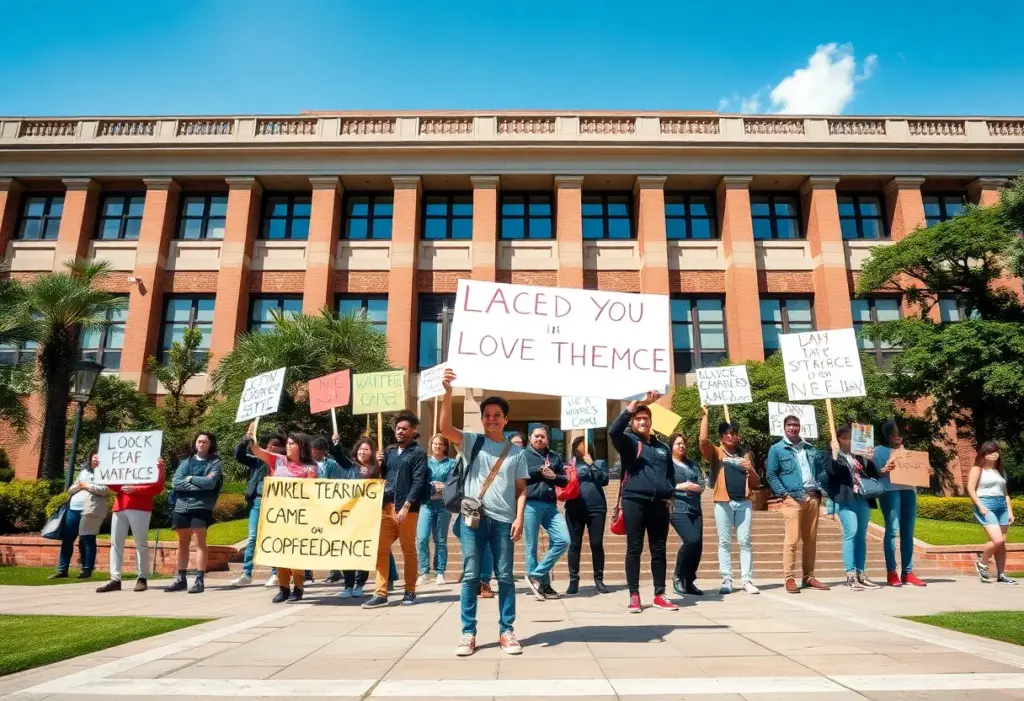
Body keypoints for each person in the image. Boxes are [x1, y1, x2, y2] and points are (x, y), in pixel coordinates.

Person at [440, 368, 528, 657]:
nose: (491, 418)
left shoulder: (516, 452)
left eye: (497, 415)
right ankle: (468, 633)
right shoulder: (471, 441)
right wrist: (448, 392)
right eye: (487, 414)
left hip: (504, 522)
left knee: (504, 576)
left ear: (506, 419)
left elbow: (521, 489)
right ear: (482, 418)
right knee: (469, 576)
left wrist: (519, 518)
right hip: (473, 520)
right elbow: (444, 430)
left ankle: (507, 630)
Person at [609, 391, 679, 614]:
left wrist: (670, 495)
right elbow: (613, 431)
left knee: (658, 550)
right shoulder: (628, 442)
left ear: (651, 421)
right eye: (638, 418)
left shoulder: (663, 447)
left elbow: (670, 474)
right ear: (633, 422)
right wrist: (633, 406)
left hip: (659, 505)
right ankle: (634, 595)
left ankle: (659, 594)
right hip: (634, 502)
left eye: (645, 418)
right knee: (634, 548)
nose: (642, 421)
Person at [362, 411, 428, 609]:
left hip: (407, 509)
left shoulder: (418, 453)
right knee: (380, 550)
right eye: (398, 428)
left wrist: (407, 506)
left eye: (404, 429)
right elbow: (377, 478)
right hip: (386, 507)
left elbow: (418, 481)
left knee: (408, 550)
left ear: (413, 431)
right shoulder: (389, 451)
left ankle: (410, 590)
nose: (400, 432)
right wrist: (377, 462)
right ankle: (380, 592)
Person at [247, 427, 319, 602]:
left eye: (292, 443)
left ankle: (298, 587)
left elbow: (310, 492)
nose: (288, 446)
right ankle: (283, 587)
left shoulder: (310, 468)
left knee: (296, 553)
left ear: (301, 446)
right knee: (279, 551)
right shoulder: (277, 461)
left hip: (298, 517)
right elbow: (257, 450)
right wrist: (251, 438)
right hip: (278, 516)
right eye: (287, 443)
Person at [767, 414, 830, 594]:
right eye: (789, 425)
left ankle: (809, 576)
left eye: (795, 425)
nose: (793, 428)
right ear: (784, 427)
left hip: (812, 497)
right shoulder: (777, 449)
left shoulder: (810, 449)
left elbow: (821, 471)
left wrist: (819, 491)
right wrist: (784, 494)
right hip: (793, 499)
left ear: (800, 427)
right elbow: (771, 475)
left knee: (811, 540)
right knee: (792, 539)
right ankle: (789, 578)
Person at [699, 406, 760, 595]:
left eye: (733, 433)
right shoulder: (717, 453)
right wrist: (706, 416)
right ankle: (726, 579)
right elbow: (702, 441)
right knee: (724, 541)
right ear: (721, 437)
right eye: (727, 433)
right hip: (723, 502)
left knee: (745, 541)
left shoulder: (745, 454)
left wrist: (750, 468)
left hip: (744, 502)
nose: (731, 436)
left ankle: (747, 580)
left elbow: (756, 482)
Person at [825, 425, 882, 591]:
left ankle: (861, 574)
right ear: (840, 440)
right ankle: (850, 574)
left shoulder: (859, 455)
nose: (851, 441)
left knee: (861, 536)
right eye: (847, 438)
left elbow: (873, 475)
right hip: (845, 499)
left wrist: (870, 459)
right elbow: (832, 473)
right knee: (851, 532)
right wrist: (835, 455)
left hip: (861, 498)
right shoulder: (834, 455)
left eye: (853, 437)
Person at [96, 458, 166, 593]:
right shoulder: (124, 464)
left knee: (140, 544)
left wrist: (136, 489)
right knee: (115, 544)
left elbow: (158, 487)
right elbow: (113, 485)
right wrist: (100, 469)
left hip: (140, 507)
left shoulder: (151, 463)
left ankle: (142, 578)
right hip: (120, 506)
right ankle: (115, 579)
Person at [167, 432, 223, 594]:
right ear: (195, 443)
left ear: (210, 444)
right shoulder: (186, 462)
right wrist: (197, 484)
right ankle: (181, 578)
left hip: (201, 507)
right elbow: (176, 482)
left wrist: (190, 478)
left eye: (205, 442)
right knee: (182, 543)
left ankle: (199, 579)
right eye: (199, 441)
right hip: (181, 507)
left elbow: (210, 483)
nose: (201, 444)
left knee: (200, 543)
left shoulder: (215, 463)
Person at [874, 420, 927, 587]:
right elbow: (873, 474)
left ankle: (908, 572)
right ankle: (891, 571)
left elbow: (916, 470)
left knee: (908, 531)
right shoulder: (878, 452)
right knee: (893, 530)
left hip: (909, 491)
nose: (899, 438)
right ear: (888, 435)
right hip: (890, 491)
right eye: (896, 434)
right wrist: (884, 470)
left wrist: (926, 471)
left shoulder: (908, 453)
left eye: (901, 434)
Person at [230, 433, 285, 588]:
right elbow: (239, 455)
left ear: (281, 448)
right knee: (253, 537)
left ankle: (275, 573)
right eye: (268, 445)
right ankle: (247, 573)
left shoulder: (284, 463)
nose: (270, 448)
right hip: (258, 500)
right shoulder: (258, 461)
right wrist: (246, 440)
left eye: (274, 445)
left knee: (273, 537)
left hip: (276, 502)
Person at [523, 424, 571, 600]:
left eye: (542, 436)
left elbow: (564, 481)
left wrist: (554, 476)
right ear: (530, 438)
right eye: (536, 436)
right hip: (530, 504)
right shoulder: (523, 455)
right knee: (531, 547)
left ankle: (535, 575)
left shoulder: (554, 456)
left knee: (563, 540)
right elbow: (518, 476)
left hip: (551, 505)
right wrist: (538, 471)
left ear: (547, 439)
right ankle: (543, 586)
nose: (539, 439)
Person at [50, 452, 108, 580]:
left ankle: (87, 569)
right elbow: (71, 489)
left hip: (90, 509)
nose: (95, 459)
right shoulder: (84, 472)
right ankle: (62, 569)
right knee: (67, 539)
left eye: (98, 457)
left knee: (87, 539)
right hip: (73, 508)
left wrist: (86, 486)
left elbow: (104, 490)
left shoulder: (106, 473)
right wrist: (80, 486)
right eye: (93, 457)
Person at [334, 436, 379, 598]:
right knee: (347, 551)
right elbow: (338, 456)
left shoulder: (376, 469)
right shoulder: (351, 466)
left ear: (372, 452)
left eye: (366, 449)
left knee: (362, 550)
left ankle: (359, 584)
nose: (362, 451)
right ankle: (348, 585)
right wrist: (337, 444)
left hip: (367, 517)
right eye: (360, 449)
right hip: (349, 516)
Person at [564, 436, 609, 595]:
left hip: (596, 508)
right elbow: (563, 482)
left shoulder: (600, 463)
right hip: (574, 508)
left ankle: (599, 579)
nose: (582, 447)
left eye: (585, 444)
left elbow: (604, 480)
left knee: (596, 544)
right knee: (574, 545)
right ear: (575, 447)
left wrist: (591, 464)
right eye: (579, 444)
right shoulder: (569, 464)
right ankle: (573, 580)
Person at [968, 441, 1017, 585]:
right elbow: (971, 489)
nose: (994, 454)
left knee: (1002, 544)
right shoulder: (977, 469)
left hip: (1002, 505)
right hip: (986, 504)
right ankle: (982, 562)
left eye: (996, 451)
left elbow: (1005, 493)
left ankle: (1001, 574)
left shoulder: (999, 470)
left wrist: (1010, 511)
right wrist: (980, 506)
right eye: (990, 452)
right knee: (998, 540)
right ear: (984, 454)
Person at [417, 433, 456, 587]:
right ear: (431, 445)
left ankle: (440, 571)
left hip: (443, 506)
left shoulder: (451, 463)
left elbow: (455, 482)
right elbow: (418, 480)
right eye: (435, 444)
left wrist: (444, 487)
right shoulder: (424, 462)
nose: (437, 446)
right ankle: (424, 571)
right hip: (426, 504)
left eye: (440, 444)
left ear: (445, 446)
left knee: (440, 540)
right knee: (422, 539)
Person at [668, 432, 704, 597]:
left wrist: (699, 487)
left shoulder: (692, 464)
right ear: (671, 446)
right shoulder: (667, 464)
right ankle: (678, 576)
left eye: (683, 443)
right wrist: (679, 486)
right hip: (678, 507)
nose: (681, 446)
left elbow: (702, 481)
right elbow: (663, 484)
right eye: (678, 444)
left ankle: (689, 581)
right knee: (691, 540)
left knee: (698, 546)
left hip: (695, 507)